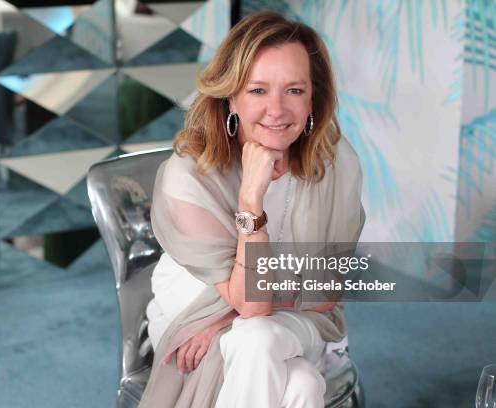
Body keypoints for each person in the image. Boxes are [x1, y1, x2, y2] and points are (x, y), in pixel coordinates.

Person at [139, 11, 365, 408]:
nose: (276, 110)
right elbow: (252, 302)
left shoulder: (335, 162)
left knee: (253, 335)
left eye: (293, 90)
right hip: (196, 309)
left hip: (296, 318)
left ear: (314, 95)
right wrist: (251, 201)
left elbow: (322, 291)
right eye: (258, 90)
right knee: (300, 384)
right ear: (231, 97)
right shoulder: (187, 176)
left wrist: (230, 321)